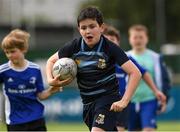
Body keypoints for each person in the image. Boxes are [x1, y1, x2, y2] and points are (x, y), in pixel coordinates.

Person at [46, 6, 141, 131]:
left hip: (108, 99)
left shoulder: (109, 47)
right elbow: (51, 60)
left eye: (92, 26)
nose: (87, 31)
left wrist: (124, 101)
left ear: (101, 27)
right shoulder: (74, 46)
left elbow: (135, 72)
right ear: (78, 29)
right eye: (83, 28)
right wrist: (50, 80)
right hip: (87, 103)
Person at [103, 24, 166, 132]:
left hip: (122, 103)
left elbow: (143, 72)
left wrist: (156, 91)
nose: (110, 42)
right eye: (106, 40)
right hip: (104, 103)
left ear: (118, 42)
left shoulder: (124, 59)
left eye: (112, 39)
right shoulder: (97, 60)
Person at [0, 29, 60, 131]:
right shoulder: (3, 71)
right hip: (15, 121)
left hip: (36, 119)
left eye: (13, 51)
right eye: (7, 52)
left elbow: (40, 95)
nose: (9, 55)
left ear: (23, 49)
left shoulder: (35, 69)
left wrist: (51, 90)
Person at [127, 24, 171, 131]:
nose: (138, 40)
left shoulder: (155, 57)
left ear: (147, 38)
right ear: (130, 39)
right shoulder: (125, 57)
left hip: (149, 101)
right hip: (129, 102)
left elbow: (164, 80)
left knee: (148, 129)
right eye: (135, 37)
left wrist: (164, 98)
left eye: (141, 37)